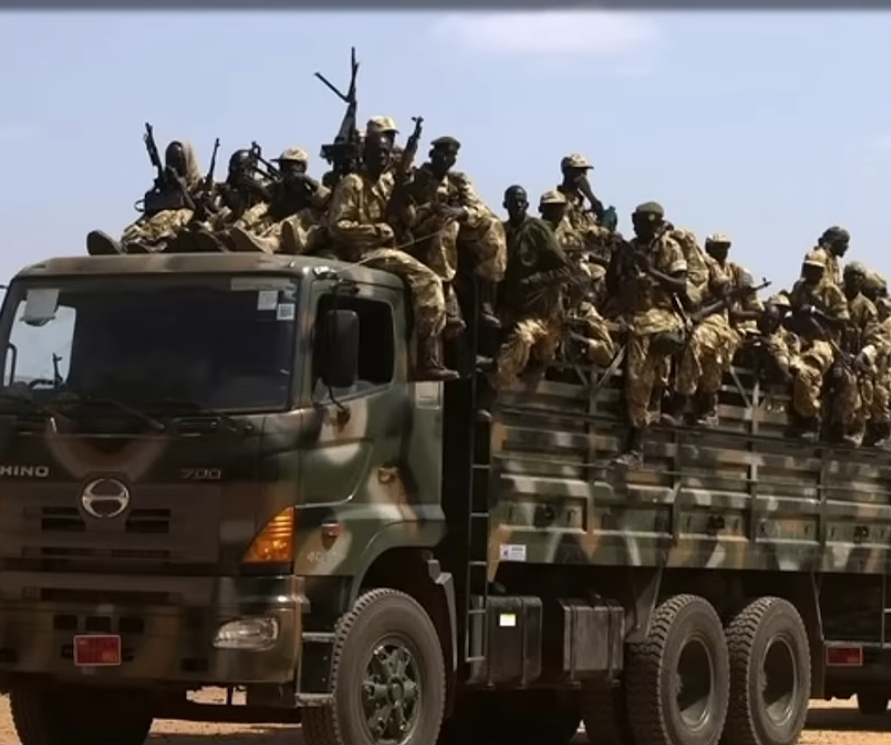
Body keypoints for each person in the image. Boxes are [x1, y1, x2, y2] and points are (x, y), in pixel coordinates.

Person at [327, 116, 458, 381]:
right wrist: (379, 231)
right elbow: (337, 227)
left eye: (386, 153)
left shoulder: (387, 183)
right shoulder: (353, 183)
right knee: (428, 280)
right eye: (377, 152)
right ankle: (427, 358)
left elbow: (408, 219)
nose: (383, 157)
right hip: (361, 253)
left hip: (388, 249)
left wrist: (411, 198)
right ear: (365, 152)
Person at [609, 202, 687, 466]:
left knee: (640, 374)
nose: (640, 227)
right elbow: (613, 285)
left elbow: (680, 285)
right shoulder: (630, 247)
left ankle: (636, 446)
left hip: (658, 315)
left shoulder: (669, 247)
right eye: (638, 221)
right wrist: (616, 257)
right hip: (629, 311)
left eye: (646, 223)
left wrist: (651, 270)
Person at [407, 135, 505, 334]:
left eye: (451, 155)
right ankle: (444, 289)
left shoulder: (457, 180)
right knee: (447, 224)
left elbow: (480, 209)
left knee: (494, 225)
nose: (447, 159)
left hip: (453, 227)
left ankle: (486, 297)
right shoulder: (417, 176)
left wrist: (461, 211)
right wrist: (431, 207)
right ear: (432, 154)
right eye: (443, 154)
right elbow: (407, 209)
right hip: (419, 230)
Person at [490, 186, 573, 389]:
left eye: (521, 201)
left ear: (527, 205)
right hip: (511, 306)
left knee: (522, 338)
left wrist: (535, 281)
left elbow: (565, 269)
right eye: (513, 202)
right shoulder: (503, 231)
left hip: (541, 314)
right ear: (505, 205)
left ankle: (498, 389)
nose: (517, 205)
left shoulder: (537, 229)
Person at [87, 139, 204, 256]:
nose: (174, 166)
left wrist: (181, 187)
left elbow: (199, 211)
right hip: (156, 219)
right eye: (170, 162)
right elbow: (150, 203)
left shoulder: (199, 184)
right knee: (143, 222)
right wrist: (160, 187)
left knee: (170, 218)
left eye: (177, 161)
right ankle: (124, 245)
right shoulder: (167, 184)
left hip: (180, 223)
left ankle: (154, 245)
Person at [785, 250, 850, 442]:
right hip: (799, 337)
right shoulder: (799, 287)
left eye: (816, 268)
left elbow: (842, 322)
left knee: (806, 373)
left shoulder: (831, 291)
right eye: (808, 267)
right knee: (783, 368)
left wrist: (816, 313)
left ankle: (810, 419)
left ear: (822, 271)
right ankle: (795, 418)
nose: (810, 271)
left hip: (823, 341)